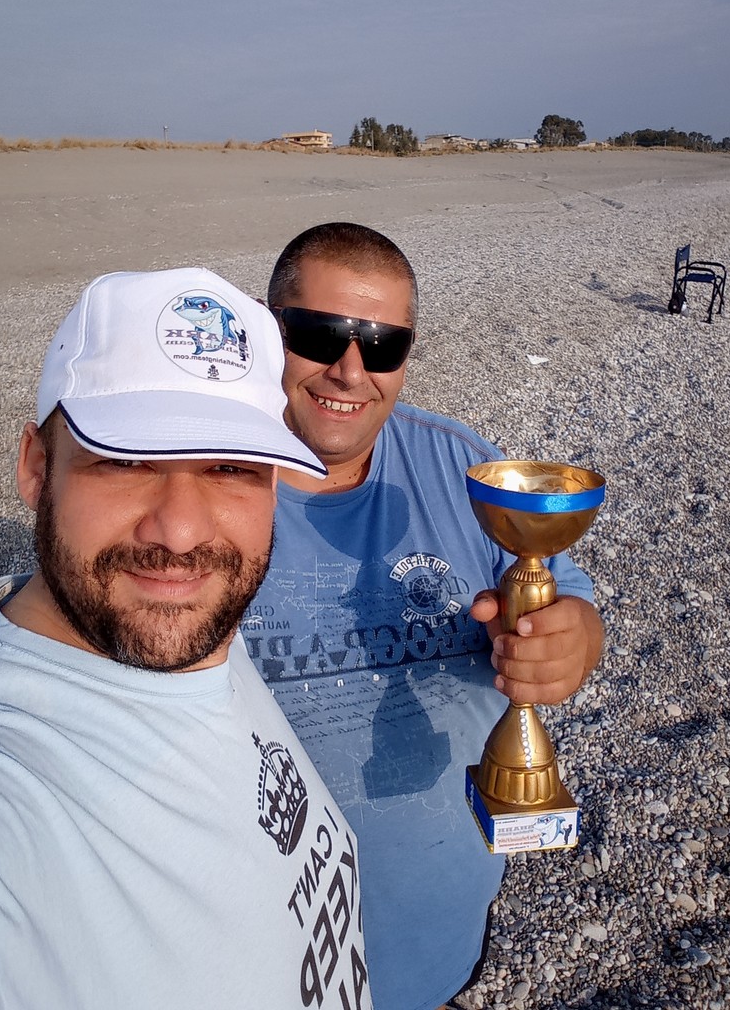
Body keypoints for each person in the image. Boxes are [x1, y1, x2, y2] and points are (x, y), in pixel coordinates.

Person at [0, 268, 373, 1010]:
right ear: (35, 468)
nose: (180, 533)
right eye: (125, 461)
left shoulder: (205, 636)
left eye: (229, 467)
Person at [241, 224, 604, 1010]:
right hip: (254, 956)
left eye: (382, 345)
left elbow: (567, 597)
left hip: (438, 938)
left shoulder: (461, 465)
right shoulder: (202, 481)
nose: (350, 370)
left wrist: (569, 638)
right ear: (268, 332)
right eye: (320, 335)